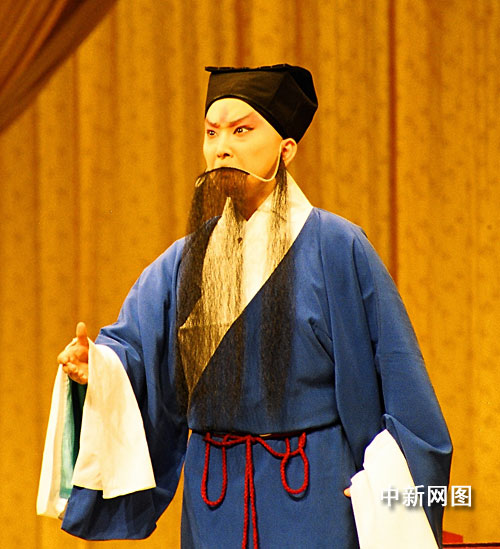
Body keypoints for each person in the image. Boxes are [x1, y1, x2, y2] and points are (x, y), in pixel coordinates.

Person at [38, 65, 452, 548]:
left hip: (313, 489)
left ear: (286, 148)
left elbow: (401, 378)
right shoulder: (186, 261)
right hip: (215, 496)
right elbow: (134, 352)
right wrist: (97, 367)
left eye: (241, 131)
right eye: (211, 133)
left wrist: (389, 489)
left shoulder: (338, 247)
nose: (222, 148)